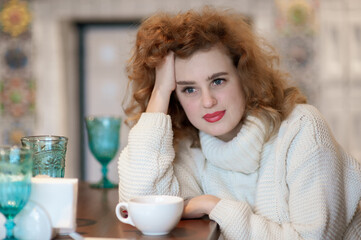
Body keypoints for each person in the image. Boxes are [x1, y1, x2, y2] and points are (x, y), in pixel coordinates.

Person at [118, 7, 361, 239]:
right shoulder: (191, 150)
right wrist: (160, 92)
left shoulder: (303, 128)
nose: (208, 101)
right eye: (189, 89)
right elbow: (140, 208)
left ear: (244, 78)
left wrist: (214, 206)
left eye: (218, 81)